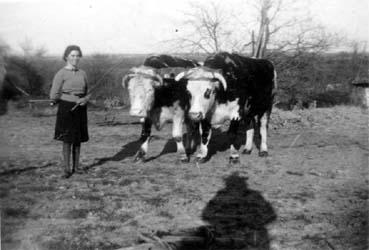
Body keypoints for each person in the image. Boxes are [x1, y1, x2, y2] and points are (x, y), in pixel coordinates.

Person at [50, 45, 90, 178]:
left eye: (78, 55)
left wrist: (85, 99)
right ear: (66, 56)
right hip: (66, 108)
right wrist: (54, 100)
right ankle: (67, 169)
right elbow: (54, 93)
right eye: (72, 55)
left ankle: (77, 167)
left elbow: (87, 92)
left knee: (77, 138)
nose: (75, 58)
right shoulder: (61, 73)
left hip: (81, 108)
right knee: (67, 139)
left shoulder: (83, 73)